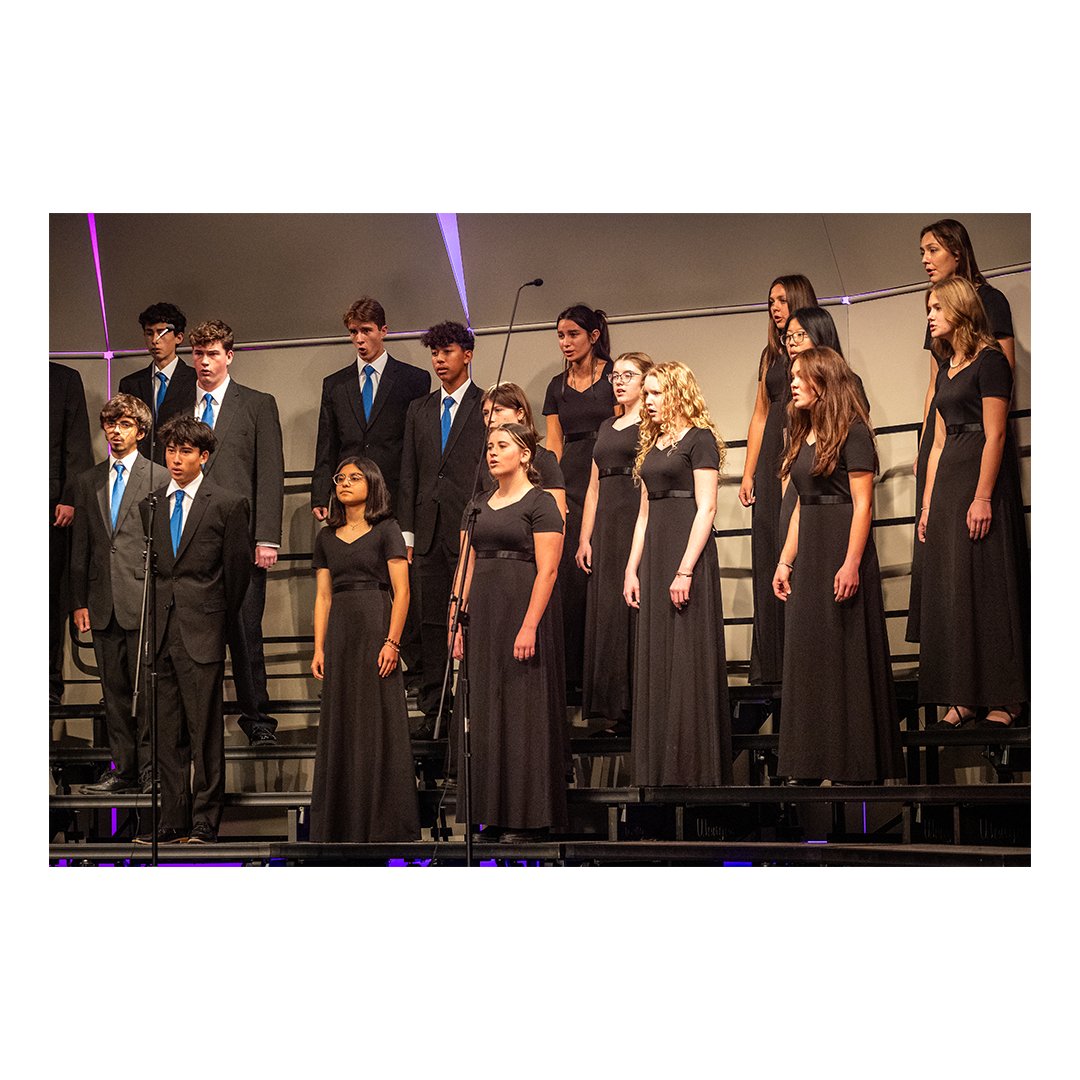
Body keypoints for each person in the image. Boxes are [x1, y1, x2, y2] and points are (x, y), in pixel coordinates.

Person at [772, 349, 903, 783]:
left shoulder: (854, 433)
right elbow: (800, 507)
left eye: (799, 376)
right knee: (809, 654)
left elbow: (863, 505)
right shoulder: (802, 431)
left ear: (822, 380)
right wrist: (786, 560)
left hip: (843, 547)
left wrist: (851, 564)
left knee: (844, 650)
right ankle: (809, 761)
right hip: (809, 548)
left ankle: (852, 761)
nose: (791, 383)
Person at [916, 278, 1028, 727]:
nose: (930, 316)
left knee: (987, 586)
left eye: (936, 307)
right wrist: (926, 505)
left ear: (960, 309)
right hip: (947, 483)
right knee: (955, 588)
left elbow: (996, 432)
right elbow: (939, 441)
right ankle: (963, 696)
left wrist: (983, 495)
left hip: (979, 479)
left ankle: (1006, 697)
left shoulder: (990, 361)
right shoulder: (947, 368)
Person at [135, 417, 251, 844]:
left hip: (201, 627)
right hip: (161, 628)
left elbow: (237, 575)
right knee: (166, 731)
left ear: (203, 456)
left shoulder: (226, 502)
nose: (176, 459)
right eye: (171, 451)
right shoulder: (153, 503)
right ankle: (173, 818)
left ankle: (205, 820)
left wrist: (214, 618)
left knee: (204, 731)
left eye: (185, 452)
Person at [451, 423, 567, 841]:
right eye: (490, 447)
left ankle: (526, 817)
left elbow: (549, 569)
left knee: (522, 714)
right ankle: (491, 814)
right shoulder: (477, 506)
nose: (493, 453)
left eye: (502, 446)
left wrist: (530, 624)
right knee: (486, 713)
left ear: (524, 454)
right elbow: (465, 565)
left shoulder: (540, 503)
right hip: (483, 617)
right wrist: (456, 620)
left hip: (521, 613)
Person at [624, 361, 732, 786]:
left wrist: (685, 570)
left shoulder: (699, 439)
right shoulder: (652, 445)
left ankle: (693, 769)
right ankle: (658, 770)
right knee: (659, 659)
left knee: (687, 658)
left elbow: (706, 508)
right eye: (646, 393)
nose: (647, 402)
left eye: (655, 393)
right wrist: (632, 569)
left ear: (677, 393)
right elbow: (644, 514)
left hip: (687, 557)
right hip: (655, 558)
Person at [908, 219, 1016, 643]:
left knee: (984, 568)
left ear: (957, 250)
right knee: (947, 568)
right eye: (922, 252)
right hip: (947, 447)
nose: (925, 260)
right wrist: (923, 450)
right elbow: (937, 390)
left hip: (982, 443)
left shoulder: (991, 302)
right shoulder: (939, 323)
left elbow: (999, 380)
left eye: (932, 250)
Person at [310, 457, 420, 842]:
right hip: (340, 632)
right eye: (340, 478)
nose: (344, 483)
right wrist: (318, 648)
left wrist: (392, 641)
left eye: (354, 478)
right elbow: (323, 597)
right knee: (341, 721)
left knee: (378, 722)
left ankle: (384, 823)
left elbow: (402, 591)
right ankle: (340, 825)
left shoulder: (387, 529)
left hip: (376, 624)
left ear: (371, 483)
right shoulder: (326, 536)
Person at [189, 319, 285, 746]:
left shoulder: (257, 404)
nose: (205, 362)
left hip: (244, 540)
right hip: (191, 541)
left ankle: (257, 719)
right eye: (198, 354)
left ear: (229, 355)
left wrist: (266, 537)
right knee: (195, 638)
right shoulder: (181, 406)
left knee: (246, 632)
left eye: (213, 354)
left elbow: (269, 473)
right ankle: (197, 726)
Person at [70, 395, 166, 795]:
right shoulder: (89, 479)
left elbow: (166, 543)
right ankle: (123, 769)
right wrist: (79, 601)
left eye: (124, 424)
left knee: (146, 692)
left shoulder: (159, 476)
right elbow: (83, 546)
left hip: (143, 598)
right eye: (110, 423)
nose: (115, 431)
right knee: (113, 693)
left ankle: (149, 771)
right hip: (102, 598)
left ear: (140, 431)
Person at [399, 320, 485, 738]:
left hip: (470, 526)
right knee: (431, 620)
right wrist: (408, 533)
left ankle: (476, 708)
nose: (438, 359)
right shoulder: (418, 409)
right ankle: (434, 709)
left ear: (466, 355)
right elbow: (409, 472)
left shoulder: (486, 405)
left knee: (471, 617)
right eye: (434, 352)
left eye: (446, 351)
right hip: (428, 531)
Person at [738, 275, 818, 687]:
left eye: (783, 300)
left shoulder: (816, 354)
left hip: (801, 454)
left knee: (798, 546)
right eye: (770, 301)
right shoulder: (770, 358)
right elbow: (759, 415)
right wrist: (749, 471)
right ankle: (772, 665)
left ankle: (802, 658)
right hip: (771, 457)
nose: (775, 307)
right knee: (770, 547)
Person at [542, 303, 618, 703]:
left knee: (606, 570)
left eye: (573, 334)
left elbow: (626, 428)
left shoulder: (613, 377)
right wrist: (553, 494)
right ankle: (572, 677)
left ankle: (605, 674)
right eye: (560, 335)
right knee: (571, 578)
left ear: (592, 335)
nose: (566, 342)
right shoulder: (556, 386)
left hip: (609, 472)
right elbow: (553, 444)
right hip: (569, 479)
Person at [576, 351, 653, 735]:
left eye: (628, 375)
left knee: (631, 609)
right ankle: (614, 705)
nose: (619, 381)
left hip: (633, 518)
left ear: (645, 382)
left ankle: (638, 702)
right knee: (606, 608)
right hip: (605, 522)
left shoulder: (652, 425)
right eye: (616, 376)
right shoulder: (607, 425)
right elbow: (592, 487)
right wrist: (585, 536)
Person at [310, 297, 431, 519]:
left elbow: (419, 445)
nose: (359, 339)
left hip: (393, 494)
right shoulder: (335, 384)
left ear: (383, 331)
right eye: (353, 332)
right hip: (349, 496)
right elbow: (327, 443)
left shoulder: (413, 380)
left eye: (366, 331)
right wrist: (320, 493)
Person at [49, 362, 93, 704]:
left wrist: (69, 498)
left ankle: (48, 685)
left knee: (48, 598)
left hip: (49, 505)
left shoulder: (63, 378)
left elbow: (76, 443)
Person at [118, 302, 198, 462]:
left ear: (179, 337)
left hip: (181, 466)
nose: (155, 340)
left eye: (162, 333)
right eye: (149, 333)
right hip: (140, 469)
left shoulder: (195, 380)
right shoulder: (130, 384)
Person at [481, 382, 566, 514]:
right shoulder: (487, 461)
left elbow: (557, 521)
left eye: (498, 410)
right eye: (486, 413)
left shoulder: (544, 460)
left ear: (520, 413)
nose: (490, 419)